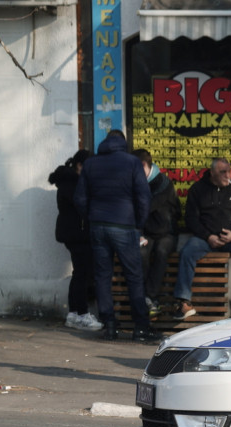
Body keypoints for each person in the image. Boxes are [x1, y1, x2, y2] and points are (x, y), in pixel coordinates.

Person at [73, 130, 161, 342]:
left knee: (103, 277)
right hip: (124, 226)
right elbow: (143, 197)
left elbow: (80, 198)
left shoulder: (91, 164)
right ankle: (140, 327)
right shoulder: (132, 162)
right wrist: (138, 224)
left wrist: (91, 218)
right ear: (123, 143)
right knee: (134, 276)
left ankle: (109, 326)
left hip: (98, 226)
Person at [172, 157, 231, 319]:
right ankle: (184, 301)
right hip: (205, 239)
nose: (227, 175)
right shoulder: (198, 189)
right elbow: (191, 219)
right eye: (223, 172)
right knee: (187, 252)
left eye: (229, 171)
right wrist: (208, 236)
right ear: (212, 172)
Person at [49, 149, 102, 332]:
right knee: (82, 274)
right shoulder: (71, 183)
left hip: (76, 233)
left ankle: (73, 314)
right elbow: (83, 205)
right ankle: (81, 314)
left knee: (79, 273)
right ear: (79, 165)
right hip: (76, 234)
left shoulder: (72, 181)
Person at [132, 149, 180, 317]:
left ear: (143, 165)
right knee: (141, 253)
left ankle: (149, 296)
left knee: (161, 251)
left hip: (167, 233)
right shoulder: (136, 182)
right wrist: (139, 233)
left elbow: (145, 207)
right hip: (146, 233)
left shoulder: (163, 183)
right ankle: (149, 299)